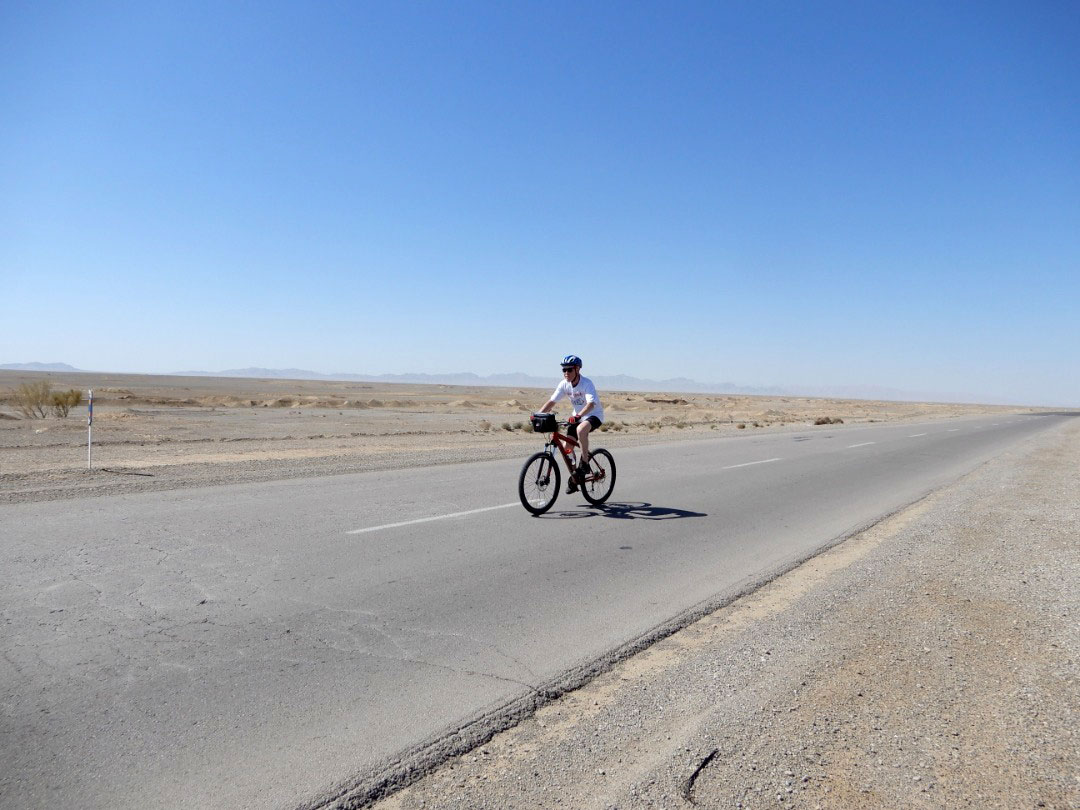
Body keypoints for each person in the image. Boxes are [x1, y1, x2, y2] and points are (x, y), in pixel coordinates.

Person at [538, 354, 605, 494]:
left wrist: (579, 415)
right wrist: (539, 414)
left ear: (577, 369)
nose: (566, 373)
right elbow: (552, 402)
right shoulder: (564, 384)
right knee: (567, 448)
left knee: (581, 430)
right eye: (564, 370)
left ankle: (585, 463)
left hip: (593, 415)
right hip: (577, 418)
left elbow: (591, 404)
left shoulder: (586, 383)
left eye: (569, 370)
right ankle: (575, 477)